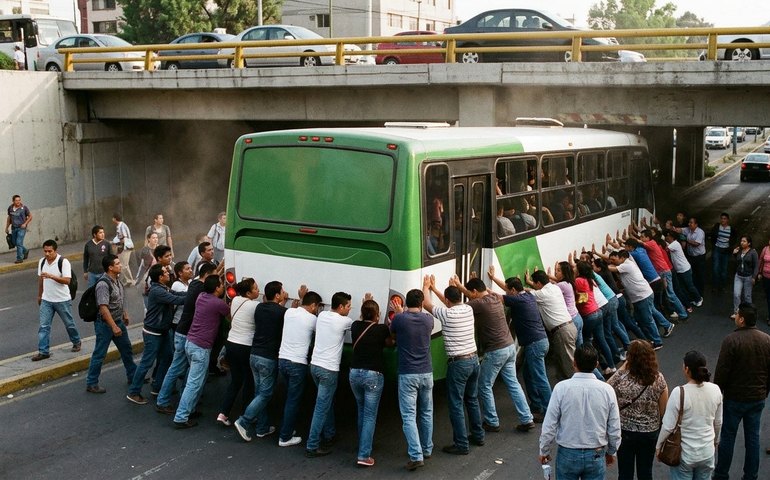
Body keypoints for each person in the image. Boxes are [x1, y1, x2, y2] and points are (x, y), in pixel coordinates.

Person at [457, 277, 534, 432]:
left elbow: (456, 309)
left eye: (471, 295)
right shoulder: (495, 298)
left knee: (484, 385)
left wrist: (456, 288)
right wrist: (460, 286)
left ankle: (492, 421)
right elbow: (474, 296)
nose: (471, 297)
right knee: (513, 383)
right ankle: (527, 418)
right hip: (509, 346)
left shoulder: (479, 303)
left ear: (475, 292)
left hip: (496, 351)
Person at [539, 344, 621, 480]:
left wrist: (544, 450)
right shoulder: (607, 390)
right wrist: (612, 451)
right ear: (596, 364)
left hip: (567, 453)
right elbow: (614, 426)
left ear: (574, 363)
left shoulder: (561, 388)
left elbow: (550, 424)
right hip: (596, 452)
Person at [423, 275, 484, 454]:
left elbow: (427, 305)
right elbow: (448, 302)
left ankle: (461, 444)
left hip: (459, 364)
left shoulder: (447, 314)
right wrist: (436, 290)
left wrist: (427, 287)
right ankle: (478, 436)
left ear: (448, 301)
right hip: (474, 361)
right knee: (471, 400)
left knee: (456, 404)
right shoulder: (467, 309)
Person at [713, 303, 770, 480]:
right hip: (757, 398)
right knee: (753, 439)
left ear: (742, 319)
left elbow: (722, 371)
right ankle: (751, 475)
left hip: (734, 398)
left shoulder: (731, 341)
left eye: (738, 314)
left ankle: (722, 474)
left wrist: (718, 392)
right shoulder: (766, 340)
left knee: (728, 437)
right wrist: (765, 390)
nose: (736, 316)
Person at [488, 267, 551, 422]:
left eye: (509, 291)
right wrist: (494, 277)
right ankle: (536, 405)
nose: (508, 293)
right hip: (540, 341)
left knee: (540, 378)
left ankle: (549, 410)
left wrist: (486, 289)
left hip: (534, 344)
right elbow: (507, 291)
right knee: (529, 375)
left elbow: (499, 296)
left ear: (514, 290)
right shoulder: (527, 296)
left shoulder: (517, 299)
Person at [154, 263, 217, 414]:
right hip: (186, 334)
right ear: (208, 276)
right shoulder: (202, 290)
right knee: (178, 369)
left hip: (184, 333)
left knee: (183, 369)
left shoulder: (194, 283)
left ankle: (181, 401)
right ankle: (165, 401)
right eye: (215, 276)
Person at [172, 275, 230, 428]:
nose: (223, 287)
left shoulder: (201, 297)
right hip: (201, 348)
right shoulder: (218, 304)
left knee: (194, 379)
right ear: (217, 288)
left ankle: (189, 409)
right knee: (194, 383)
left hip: (190, 343)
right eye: (221, 285)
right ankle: (181, 416)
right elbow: (230, 315)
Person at [234, 281, 288, 442]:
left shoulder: (259, 307)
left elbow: (273, 311)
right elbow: (280, 314)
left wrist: (281, 303)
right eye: (282, 291)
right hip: (268, 357)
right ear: (277, 295)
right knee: (265, 393)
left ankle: (262, 427)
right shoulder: (282, 312)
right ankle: (244, 421)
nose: (285, 293)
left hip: (254, 354)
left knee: (259, 392)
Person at [607, 340, 668, 480]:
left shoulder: (621, 378)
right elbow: (663, 409)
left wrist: (622, 368)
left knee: (625, 472)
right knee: (645, 472)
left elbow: (605, 390)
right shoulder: (658, 379)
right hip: (649, 432)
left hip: (625, 431)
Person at [656, 350, 722, 479]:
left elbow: (668, 426)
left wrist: (659, 446)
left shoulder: (679, 392)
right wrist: (715, 442)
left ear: (687, 369)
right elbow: (718, 422)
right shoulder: (715, 390)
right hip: (707, 453)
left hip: (685, 455)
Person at [126, 264, 186, 405]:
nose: (168, 273)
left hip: (163, 331)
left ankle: (158, 387)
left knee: (167, 358)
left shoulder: (163, 288)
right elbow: (176, 299)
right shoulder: (157, 291)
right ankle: (134, 392)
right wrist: (195, 295)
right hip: (153, 332)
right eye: (165, 272)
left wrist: (193, 292)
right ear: (160, 277)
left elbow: (177, 294)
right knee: (147, 362)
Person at [305, 292, 354, 457]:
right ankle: (312, 445)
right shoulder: (344, 321)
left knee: (327, 402)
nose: (350, 309)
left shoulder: (322, 315)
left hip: (314, 366)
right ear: (340, 307)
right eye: (348, 306)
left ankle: (330, 433)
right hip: (329, 369)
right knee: (321, 407)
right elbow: (360, 325)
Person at [390, 289, 434, 471]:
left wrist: (400, 313)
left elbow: (393, 333)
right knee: (426, 412)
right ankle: (427, 448)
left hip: (408, 373)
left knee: (409, 415)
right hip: (427, 372)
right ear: (422, 303)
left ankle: (416, 455)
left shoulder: (400, 319)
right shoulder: (428, 320)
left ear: (405, 303)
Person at [349, 296, 393, 467]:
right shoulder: (381, 329)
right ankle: (364, 454)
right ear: (377, 314)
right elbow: (390, 343)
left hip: (354, 373)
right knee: (369, 416)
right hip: (372, 375)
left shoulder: (355, 326)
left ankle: (362, 444)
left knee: (361, 410)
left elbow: (362, 320)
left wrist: (365, 303)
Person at [85, 254, 137, 393]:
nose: (120, 265)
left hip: (118, 321)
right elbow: (103, 308)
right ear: (110, 267)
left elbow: (120, 298)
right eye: (118, 263)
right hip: (106, 325)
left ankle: (133, 376)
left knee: (127, 349)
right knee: (100, 354)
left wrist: (124, 313)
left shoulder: (117, 280)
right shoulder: (103, 284)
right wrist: (113, 326)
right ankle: (91, 383)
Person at [277, 288, 322, 448]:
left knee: (289, 397)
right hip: (298, 363)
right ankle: (285, 436)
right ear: (313, 306)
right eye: (317, 307)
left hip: (282, 360)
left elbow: (297, 310)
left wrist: (301, 298)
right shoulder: (312, 320)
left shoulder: (289, 313)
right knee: (293, 400)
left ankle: (286, 429)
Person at [217, 278, 259, 427]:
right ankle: (246, 415)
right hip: (245, 346)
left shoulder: (235, 300)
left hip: (231, 344)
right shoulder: (255, 306)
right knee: (249, 380)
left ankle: (223, 413)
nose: (258, 290)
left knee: (235, 381)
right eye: (255, 289)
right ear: (248, 292)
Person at [33, 239, 81, 361]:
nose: (47, 254)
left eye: (50, 251)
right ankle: (43, 351)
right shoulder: (42, 262)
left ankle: (76, 341)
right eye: (45, 251)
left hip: (62, 299)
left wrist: (52, 276)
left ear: (55, 251)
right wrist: (40, 295)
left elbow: (67, 280)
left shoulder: (63, 262)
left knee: (69, 323)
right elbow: (41, 279)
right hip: (46, 300)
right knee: (44, 326)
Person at [527, 270, 578, 381]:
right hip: (569, 326)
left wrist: (526, 285)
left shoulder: (542, 294)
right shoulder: (555, 288)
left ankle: (576, 387)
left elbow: (526, 293)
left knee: (569, 363)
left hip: (562, 331)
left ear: (539, 283)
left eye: (535, 284)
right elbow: (534, 291)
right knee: (564, 360)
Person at [731, 236, 758, 319]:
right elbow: (737, 262)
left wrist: (754, 277)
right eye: (741, 241)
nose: (742, 242)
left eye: (744, 241)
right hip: (738, 276)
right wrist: (734, 254)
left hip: (748, 277)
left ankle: (748, 314)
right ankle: (737, 312)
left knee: (747, 296)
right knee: (736, 294)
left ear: (749, 243)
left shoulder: (753, 252)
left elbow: (756, 265)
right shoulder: (739, 250)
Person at [711, 212, 737, 293]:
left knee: (724, 270)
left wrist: (731, 248)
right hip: (717, 249)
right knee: (716, 269)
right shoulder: (717, 227)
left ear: (728, 220)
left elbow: (734, 238)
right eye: (722, 218)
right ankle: (715, 286)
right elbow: (712, 235)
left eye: (724, 219)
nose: (723, 220)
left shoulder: (731, 229)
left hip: (725, 251)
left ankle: (722, 286)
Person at [683, 217, 706, 298]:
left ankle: (700, 294)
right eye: (689, 222)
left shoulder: (700, 232)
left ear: (696, 224)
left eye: (691, 223)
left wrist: (686, 240)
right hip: (691, 257)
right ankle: (694, 293)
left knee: (700, 275)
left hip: (699, 257)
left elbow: (696, 244)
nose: (689, 224)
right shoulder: (688, 230)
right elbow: (679, 230)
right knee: (693, 275)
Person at [111, 214, 136, 287]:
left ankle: (130, 281)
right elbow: (119, 237)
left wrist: (116, 243)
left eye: (113, 218)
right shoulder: (119, 226)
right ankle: (127, 280)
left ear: (115, 219)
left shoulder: (122, 226)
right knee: (122, 264)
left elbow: (124, 238)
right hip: (123, 247)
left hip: (126, 247)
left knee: (124, 265)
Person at [6, 194, 31, 264]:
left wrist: (25, 223)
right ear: (13, 201)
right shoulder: (10, 208)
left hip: (21, 228)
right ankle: (25, 251)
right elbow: (9, 218)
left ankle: (19, 258)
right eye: (16, 200)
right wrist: (6, 227)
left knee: (19, 243)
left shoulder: (24, 208)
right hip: (13, 228)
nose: (18, 202)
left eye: (19, 200)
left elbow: (30, 216)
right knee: (14, 242)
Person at [758, 237, 770, 325]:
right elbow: (761, 260)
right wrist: (759, 272)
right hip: (766, 277)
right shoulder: (765, 249)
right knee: (768, 297)